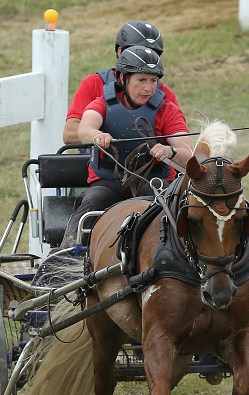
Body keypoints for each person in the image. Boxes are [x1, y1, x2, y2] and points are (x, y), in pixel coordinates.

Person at [60, 46, 192, 248]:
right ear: (123, 78)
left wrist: (169, 151)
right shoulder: (102, 103)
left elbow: (188, 154)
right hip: (108, 183)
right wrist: (97, 135)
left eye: (153, 81)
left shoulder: (168, 110)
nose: (149, 88)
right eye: (141, 80)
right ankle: (69, 258)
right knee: (89, 206)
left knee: (171, 207)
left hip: (154, 183)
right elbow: (84, 129)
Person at [63, 20, 182, 145]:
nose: (145, 59)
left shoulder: (163, 93)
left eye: (152, 54)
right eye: (137, 51)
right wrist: (102, 135)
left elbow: (180, 139)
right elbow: (69, 134)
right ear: (120, 52)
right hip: (98, 159)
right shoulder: (93, 83)